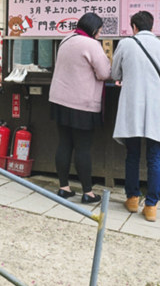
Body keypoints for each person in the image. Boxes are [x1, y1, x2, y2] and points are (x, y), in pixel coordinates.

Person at [112, 11, 160, 222]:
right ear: (152, 25)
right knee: (154, 158)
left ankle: (132, 199)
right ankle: (151, 207)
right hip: (156, 106)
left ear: (134, 27)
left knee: (132, 154)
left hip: (131, 104)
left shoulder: (125, 45)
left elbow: (115, 74)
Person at [48, 12, 111, 204]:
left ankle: (64, 187)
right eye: (99, 31)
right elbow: (104, 73)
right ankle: (87, 192)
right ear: (93, 29)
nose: (100, 34)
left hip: (59, 100)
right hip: (81, 103)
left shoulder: (66, 39)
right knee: (83, 148)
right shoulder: (91, 44)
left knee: (64, 143)